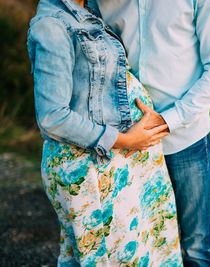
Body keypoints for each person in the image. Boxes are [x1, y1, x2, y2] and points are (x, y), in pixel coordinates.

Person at [27, 0, 183, 265]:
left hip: (121, 163)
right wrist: (126, 140)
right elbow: (52, 116)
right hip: (93, 167)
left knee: (143, 253)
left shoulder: (86, 12)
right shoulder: (51, 25)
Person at [96, 0, 210, 265]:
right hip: (128, 145)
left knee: (197, 246)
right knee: (138, 245)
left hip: (185, 142)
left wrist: (168, 120)